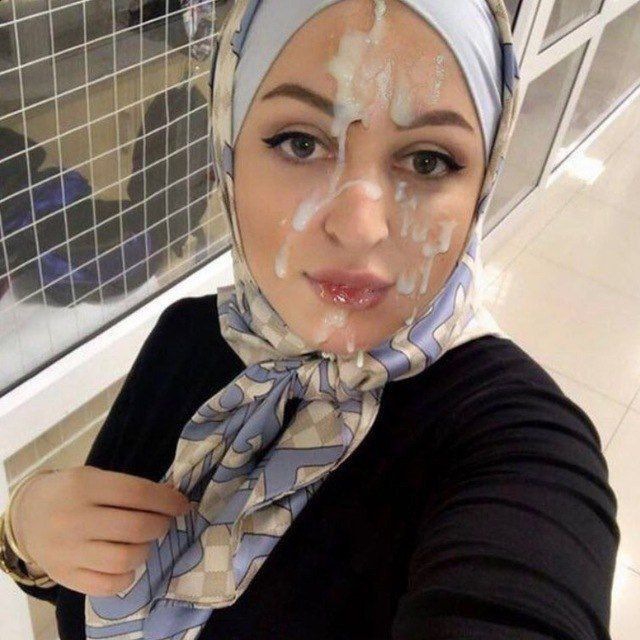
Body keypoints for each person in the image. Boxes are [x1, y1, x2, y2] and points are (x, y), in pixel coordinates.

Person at [0, 0, 619, 639]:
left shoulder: (517, 442)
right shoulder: (189, 336)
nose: (359, 226)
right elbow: (73, 569)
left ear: (481, 184)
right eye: (301, 143)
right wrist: (24, 533)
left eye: (428, 161)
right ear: (229, 152)